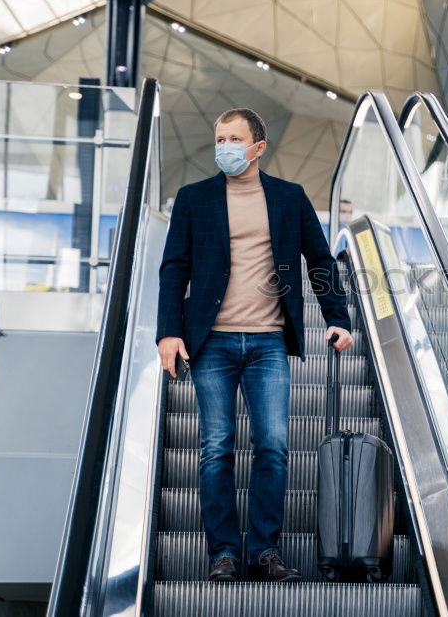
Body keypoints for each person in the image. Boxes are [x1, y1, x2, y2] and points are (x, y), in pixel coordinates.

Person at [155, 108, 353, 583]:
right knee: (216, 446)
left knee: (274, 445)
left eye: (234, 138)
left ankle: (264, 551)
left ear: (258, 147)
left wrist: (337, 318)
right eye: (220, 138)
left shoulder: (289, 198)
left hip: (267, 340)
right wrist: (168, 332)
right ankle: (223, 552)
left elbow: (320, 260)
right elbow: (173, 268)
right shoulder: (193, 198)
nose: (225, 146)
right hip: (211, 342)